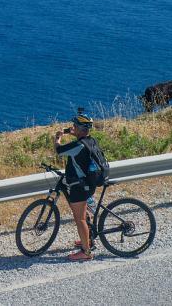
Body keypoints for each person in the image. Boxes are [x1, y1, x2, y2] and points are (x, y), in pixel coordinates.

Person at [54, 110, 100, 261]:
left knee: (79, 218)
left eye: (75, 126)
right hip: (88, 183)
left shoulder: (78, 145)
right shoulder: (90, 140)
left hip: (80, 186)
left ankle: (86, 253)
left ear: (81, 128)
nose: (72, 127)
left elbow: (59, 151)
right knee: (84, 213)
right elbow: (80, 140)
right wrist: (73, 133)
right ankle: (88, 239)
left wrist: (58, 138)